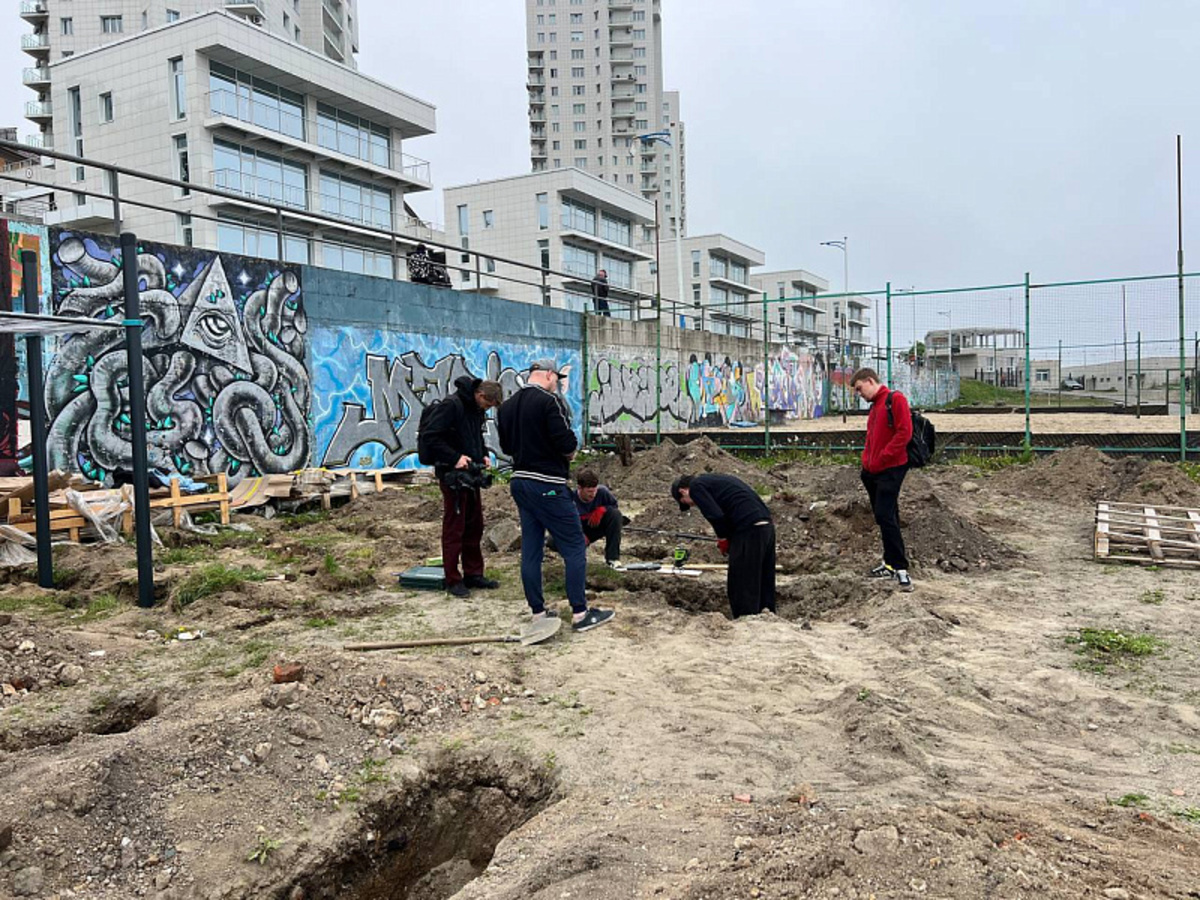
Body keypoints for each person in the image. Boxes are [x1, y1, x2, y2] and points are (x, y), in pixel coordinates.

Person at [497, 359, 615, 632]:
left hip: (520, 481)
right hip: (547, 482)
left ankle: (538, 613)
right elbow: (568, 444)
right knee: (574, 544)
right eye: (556, 379)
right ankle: (580, 613)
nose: (557, 384)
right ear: (549, 375)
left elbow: (505, 446)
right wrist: (566, 451)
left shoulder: (506, 407)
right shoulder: (548, 402)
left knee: (531, 547)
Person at [421, 376, 504, 598]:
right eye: (487, 405)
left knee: (474, 526)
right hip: (452, 476)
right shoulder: (451, 405)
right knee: (454, 528)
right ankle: (453, 579)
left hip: (471, 475)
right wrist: (455, 457)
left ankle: (473, 574)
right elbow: (430, 437)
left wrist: (483, 454)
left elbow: (475, 435)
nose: (487, 409)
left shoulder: (475, 410)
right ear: (480, 395)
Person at [670, 473, 775, 618]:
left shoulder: (696, 487)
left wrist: (723, 538)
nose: (692, 505)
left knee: (741, 581)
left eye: (686, 503)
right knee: (763, 577)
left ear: (683, 491)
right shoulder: (717, 481)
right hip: (766, 527)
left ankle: (745, 620)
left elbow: (716, 515)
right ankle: (768, 616)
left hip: (748, 529)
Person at [851, 367, 914, 592]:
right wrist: (867, 462)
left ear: (870, 380)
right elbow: (873, 438)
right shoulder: (876, 406)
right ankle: (889, 563)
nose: (860, 394)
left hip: (891, 469)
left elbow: (904, 433)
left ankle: (900, 568)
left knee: (885, 516)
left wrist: (882, 458)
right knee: (887, 515)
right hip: (873, 470)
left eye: (860, 389)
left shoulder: (895, 400)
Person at [572, 469, 623, 568]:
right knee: (553, 540)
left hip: (595, 526)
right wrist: (579, 534)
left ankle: (613, 558)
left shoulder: (602, 492)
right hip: (577, 530)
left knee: (615, 515)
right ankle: (574, 560)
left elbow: (614, 506)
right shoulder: (571, 499)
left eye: (595, 490)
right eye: (589, 491)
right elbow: (563, 522)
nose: (593, 494)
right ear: (579, 488)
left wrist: (603, 509)